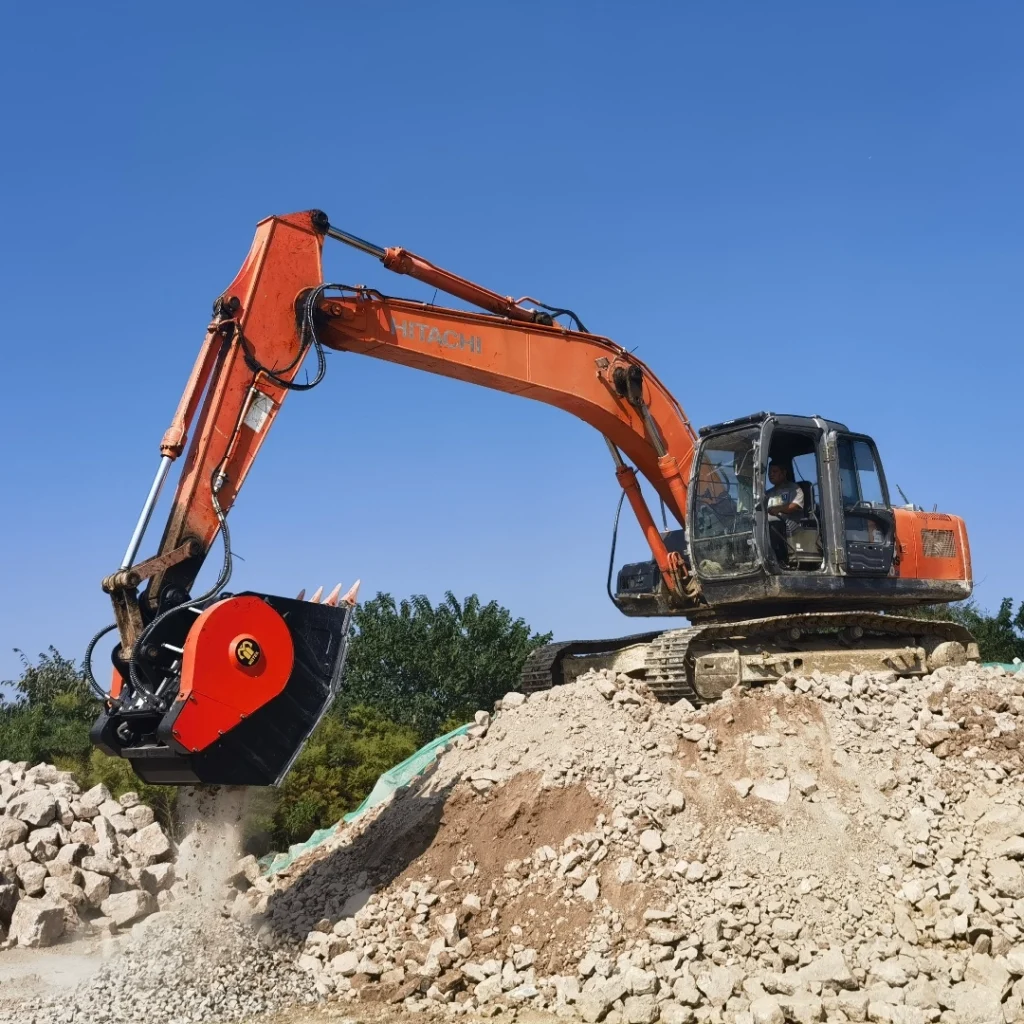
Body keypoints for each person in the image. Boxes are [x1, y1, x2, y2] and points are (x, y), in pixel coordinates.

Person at [765, 461, 804, 562]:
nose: (771, 474)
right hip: (770, 525)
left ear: (784, 473)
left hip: (789, 524)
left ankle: (779, 560)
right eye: (769, 472)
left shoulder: (794, 489)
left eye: (774, 471)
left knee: (774, 525)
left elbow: (795, 506)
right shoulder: (768, 493)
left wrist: (779, 509)